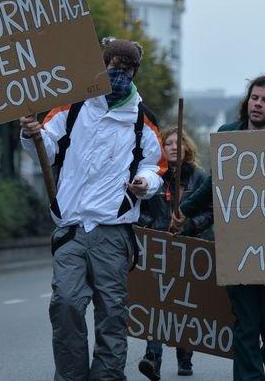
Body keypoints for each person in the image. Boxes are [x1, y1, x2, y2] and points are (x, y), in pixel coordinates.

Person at [19, 38, 165, 381]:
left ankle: (107, 376)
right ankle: (71, 377)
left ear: (135, 71)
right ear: (102, 65)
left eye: (126, 69)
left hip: (113, 232)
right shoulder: (71, 107)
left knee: (112, 313)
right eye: (113, 66)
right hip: (71, 228)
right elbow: (47, 150)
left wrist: (145, 183)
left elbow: (155, 165)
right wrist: (32, 134)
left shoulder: (142, 119)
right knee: (65, 304)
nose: (119, 74)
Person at [175, 74, 265, 381]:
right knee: (245, 323)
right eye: (254, 98)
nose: (258, 104)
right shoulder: (228, 134)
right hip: (237, 244)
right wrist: (183, 210)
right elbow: (214, 184)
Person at [137, 127, 208, 380]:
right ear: (161, 149)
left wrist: (189, 226)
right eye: (168, 143)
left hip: (189, 246)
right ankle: (152, 358)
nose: (174, 146)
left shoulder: (199, 177)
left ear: (187, 147)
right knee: (156, 303)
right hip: (158, 247)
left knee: (183, 303)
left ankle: (185, 356)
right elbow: (137, 208)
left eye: (179, 142)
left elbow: (211, 210)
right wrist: (152, 226)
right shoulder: (152, 177)